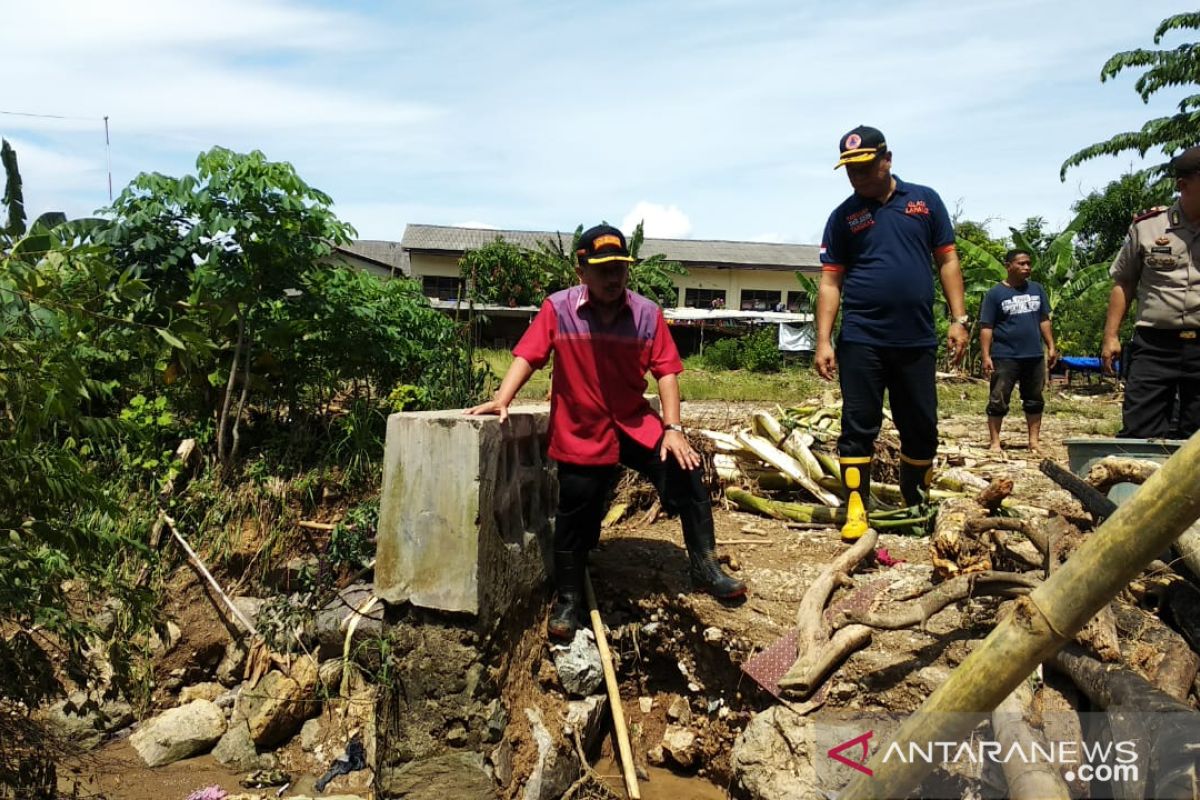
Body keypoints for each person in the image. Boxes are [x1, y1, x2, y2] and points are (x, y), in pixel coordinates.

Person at [466, 223, 746, 641]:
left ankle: (705, 566)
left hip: (634, 421)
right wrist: (503, 397)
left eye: (620, 268)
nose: (614, 278)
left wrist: (672, 428)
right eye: (603, 270)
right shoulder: (558, 309)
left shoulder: (646, 314)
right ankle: (568, 598)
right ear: (582, 271)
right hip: (581, 428)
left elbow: (667, 373)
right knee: (577, 507)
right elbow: (530, 355)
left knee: (685, 470)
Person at [814, 125, 968, 542]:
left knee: (921, 426)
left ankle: (915, 500)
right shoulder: (844, 217)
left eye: (864, 167)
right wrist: (824, 340)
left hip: (916, 339)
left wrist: (959, 318)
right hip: (862, 338)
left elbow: (948, 262)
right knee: (858, 424)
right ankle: (856, 507)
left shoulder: (924, 202)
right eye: (850, 170)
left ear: (887, 159)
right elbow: (830, 283)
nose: (857, 177)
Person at [1101, 146, 1200, 439]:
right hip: (1155, 344)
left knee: (1195, 439)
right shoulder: (1148, 227)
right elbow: (1124, 282)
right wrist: (1110, 336)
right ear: (1183, 185)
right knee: (1140, 428)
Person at [979, 249, 1058, 453]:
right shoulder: (995, 294)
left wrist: (1051, 346)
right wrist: (986, 355)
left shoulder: (1037, 289)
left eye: (1028, 264)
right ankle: (995, 442)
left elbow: (1044, 319)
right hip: (1005, 355)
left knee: (1034, 399)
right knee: (998, 399)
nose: (1026, 267)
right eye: (1021, 264)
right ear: (1008, 266)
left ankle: (1034, 442)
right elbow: (986, 326)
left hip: (1033, 355)